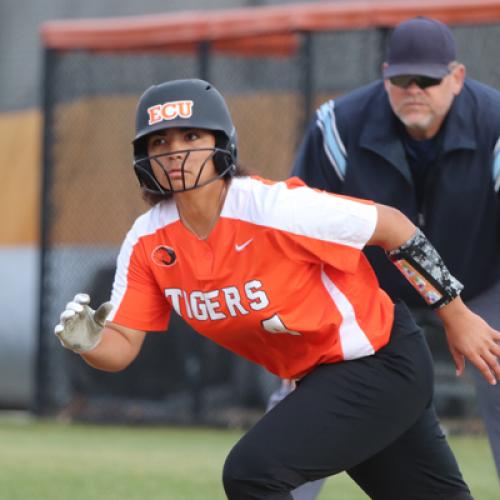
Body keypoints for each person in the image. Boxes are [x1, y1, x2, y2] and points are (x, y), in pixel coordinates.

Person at [54, 78, 500, 500]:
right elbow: (123, 346)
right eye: (160, 141)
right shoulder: (148, 239)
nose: (175, 152)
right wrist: (89, 342)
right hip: (327, 379)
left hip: (378, 362)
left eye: (191, 138)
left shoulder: (275, 208)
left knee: (253, 470)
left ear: (220, 144)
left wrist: (455, 313)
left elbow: (394, 227)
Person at [292, 16, 500, 480]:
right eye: (401, 79)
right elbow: (302, 230)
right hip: (370, 288)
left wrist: (461, 309)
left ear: (457, 78)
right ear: (384, 77)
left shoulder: (495, 124)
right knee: (308, 382)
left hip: (480, 279)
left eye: (427, 79)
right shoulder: (339, 126)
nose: (413, 89)